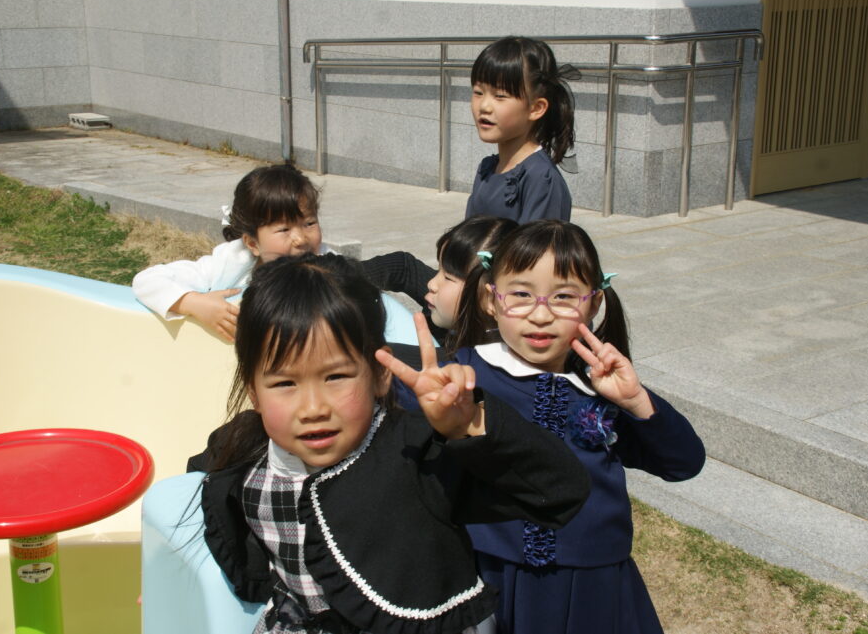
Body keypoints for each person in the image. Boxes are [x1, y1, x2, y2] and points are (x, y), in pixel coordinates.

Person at [187, 253, 591, 634]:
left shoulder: (417, 454)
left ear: (380, 374)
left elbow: (560, 490)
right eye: (284, 383)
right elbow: (206, 480)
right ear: (254, 391)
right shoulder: (243, 451)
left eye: (336, 377)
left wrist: (469, 425)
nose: (312, 408)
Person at [447, 220, 706, 634]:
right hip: (490, 570)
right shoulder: (465, 374)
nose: (541, 314)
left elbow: (683, 463)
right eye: (521, 294)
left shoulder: (603, 388)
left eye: (564, 297)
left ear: (594, 303)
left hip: (593, 582)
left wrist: (636, 401)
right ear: (490, 299)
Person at [132, 163, 326, 341]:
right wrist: (195, 304)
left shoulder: (329, 267)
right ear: (253, 244)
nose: (301, 239)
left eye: (309, 223)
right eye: (284, 229)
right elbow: (147, 281)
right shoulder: (230, 264)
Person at [466, 37, 577, 224]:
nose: (484, 106)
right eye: (478, 92)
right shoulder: (487, 168)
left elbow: (539, 242)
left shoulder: (541, 178)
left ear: (536, 108)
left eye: (500, 95)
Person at [365, 215, 518, 347]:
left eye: (448, 277)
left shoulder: (475, 364)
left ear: (490, 298)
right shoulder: (446, 303)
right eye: (439, 270)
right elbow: (403, 267)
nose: (431, 284)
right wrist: (352, 278)